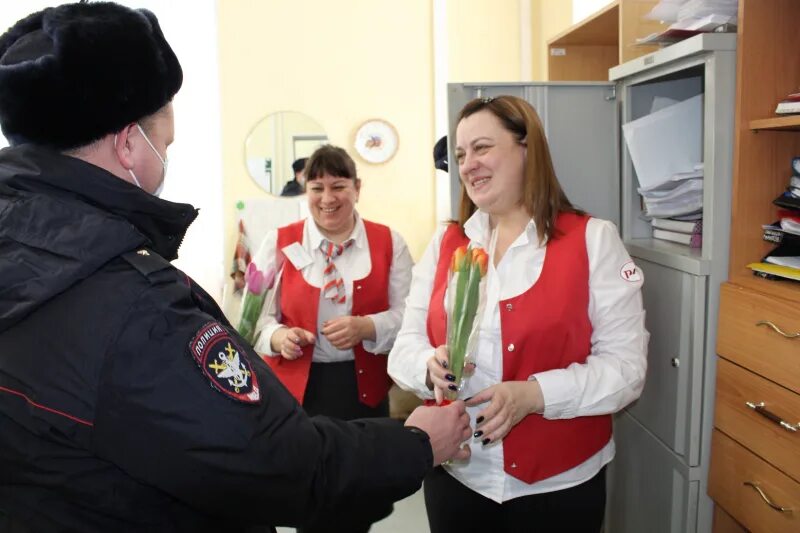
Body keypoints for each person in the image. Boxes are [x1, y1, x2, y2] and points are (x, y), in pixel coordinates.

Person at [0, 3, 472, 532]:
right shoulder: (135, 302)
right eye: (167, 143)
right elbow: (282, 467)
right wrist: (417, 443)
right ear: (130, 144)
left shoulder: (25, 255)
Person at [388, 95, 648, 533]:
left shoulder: (593, 240)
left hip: (558, 489)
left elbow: (627, 370)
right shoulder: (447, 243)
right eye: (460, 154)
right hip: (457, 477)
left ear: (527, 149)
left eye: (482, 147)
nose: (468, 164)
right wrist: (427, 366)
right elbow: (403, 349)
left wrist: (534, 395)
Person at [247, 143, 413, 532]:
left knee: (358, 501)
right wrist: (278, 337)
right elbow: (252, 321)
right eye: (316, 187)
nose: (327, 198)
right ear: (305, 191)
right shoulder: (279, 243)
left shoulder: (390, 242)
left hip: (362, 393)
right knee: (310, 501)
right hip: (297, 394)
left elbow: (410, 317)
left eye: (338, 186)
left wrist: (366, 327)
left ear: (358, 187)